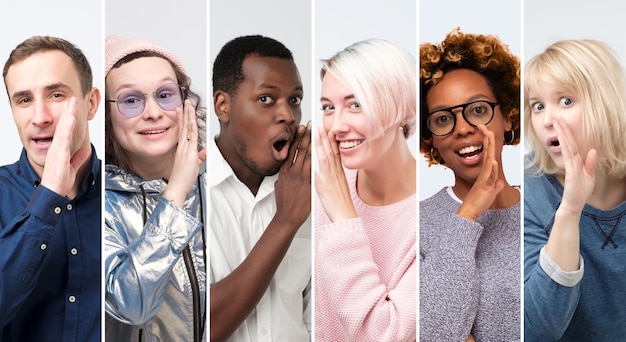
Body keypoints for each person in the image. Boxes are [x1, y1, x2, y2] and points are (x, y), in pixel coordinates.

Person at [419, 28, 521, 341]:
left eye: (478, 110)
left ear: (508, 117)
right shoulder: (417, 223)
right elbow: (434, 333)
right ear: (432, 140)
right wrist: (469, 213)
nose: (462, 128)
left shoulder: (548, 207)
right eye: (443, 119)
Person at [103, 36, 207, 341]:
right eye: (131, 100)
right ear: (107, 116)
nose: (153, 112)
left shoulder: (217, 184)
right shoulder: (97, 204)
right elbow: (132, 308)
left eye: (165, 94)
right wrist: (175, 194)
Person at [209, 35, 311, 341]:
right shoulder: (186, 191)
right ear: (223, 106)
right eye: (266, 99)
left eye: (294, 100)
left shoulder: (313, 193)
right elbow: (197, 326)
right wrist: (286, 220)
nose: (288, 116)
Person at [314, 39, 416, 341]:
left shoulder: (432, 214)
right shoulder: (325, 186)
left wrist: (343, 216)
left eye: (355, 104)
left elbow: (383, 334)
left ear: (401, 108)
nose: (336, 126)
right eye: (328, 108)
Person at [0, 36, 101, 341]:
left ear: (91, 103)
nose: (40, 117)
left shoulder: (122, 192)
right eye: (24, 100)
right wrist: (49, 197)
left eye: (56, 94)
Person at [524, 39, 626, 341]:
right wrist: (569, 211)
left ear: (605, 104)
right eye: (538, 106)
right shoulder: (529, 189)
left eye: (566, 101)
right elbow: (536, 330)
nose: (547, 120)